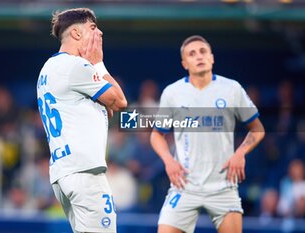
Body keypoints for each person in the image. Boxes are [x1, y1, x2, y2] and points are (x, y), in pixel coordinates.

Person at [150, 35, 265, 233]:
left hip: (223, 185)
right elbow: (156, 134)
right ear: (184, 63)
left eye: (203, 51)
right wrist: (169, 161)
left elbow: (258, 129)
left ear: (212, 57)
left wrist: (240, 153)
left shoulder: (231, 89)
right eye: (192, 54)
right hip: (184, 185)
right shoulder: (172, 92)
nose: (199, 57)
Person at [36, 8, 127, 233]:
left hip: (63, 173)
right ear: (76, 33)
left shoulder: (48, 68)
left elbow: (107, 112)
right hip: (86, 172)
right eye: (93, 28)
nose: (100, 33)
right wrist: (98, 64)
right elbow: (120, 101)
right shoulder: (76, 66)